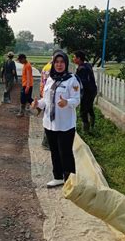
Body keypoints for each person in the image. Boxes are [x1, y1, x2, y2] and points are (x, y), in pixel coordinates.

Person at [31, 51, 81, 188]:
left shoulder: (72, 80)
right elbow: (46, 101)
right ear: (53, 64)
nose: (59, 65)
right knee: (54, 151)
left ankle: (70, 182)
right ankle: (58, 177)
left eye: (62, 62)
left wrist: (67, 102)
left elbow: (77, 100)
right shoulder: (50, 79)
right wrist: (37, 104)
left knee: (65, 153)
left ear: (66, 63)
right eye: (56, 62)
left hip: (65, 124)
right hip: (49, 123)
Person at [73, 50, 98, 133]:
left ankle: (86, 131)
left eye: (74, 57)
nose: (73, 59)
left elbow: (83, 82)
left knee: (83, 111)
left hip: (88, 92)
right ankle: (92, 126)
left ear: (79, 58)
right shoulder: (87, 65)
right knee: (89, 107)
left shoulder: (82, 69)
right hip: (92, 90)